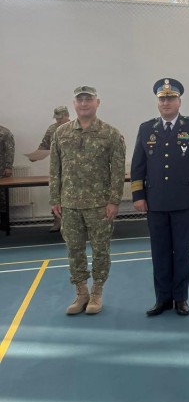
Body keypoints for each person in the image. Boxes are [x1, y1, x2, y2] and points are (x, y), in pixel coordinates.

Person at [131, 79, 189, 316]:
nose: (166, 102)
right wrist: (138, 195)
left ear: (179, 101)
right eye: (162, 99)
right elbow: (138, 166)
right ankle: (163, 299)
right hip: (155, 201)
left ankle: (181, 298)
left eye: (170, 98)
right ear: (158, 102)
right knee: (160, 253)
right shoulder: (146, 129)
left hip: (184, 200)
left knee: (182, 252)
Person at [50, 87, 126, 316]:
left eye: (88, 99)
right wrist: (55, 198)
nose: (84, 103)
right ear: (74, 104)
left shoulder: (110, 133)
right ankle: (81, 292)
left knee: (101, 250)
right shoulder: (61, 133)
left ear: (97, 102)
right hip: (70, 204)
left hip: (99, 205)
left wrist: (114, 201)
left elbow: (118, 171)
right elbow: (54, 168)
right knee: (74, 250)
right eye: (80, 100)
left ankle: (97, 293)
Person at [29, 105, 71, 232]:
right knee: (56, 194)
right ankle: (58, 222)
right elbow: (44, 145)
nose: (58, 120)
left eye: (60, 118)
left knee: (73, 195)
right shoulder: (52, 129)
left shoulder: (76, 127)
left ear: (67, 115)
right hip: (57, 167)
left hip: (74, 167)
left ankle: (74, 224)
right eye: (56, 118)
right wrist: (35, 156)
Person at [0, 124, 15, 218]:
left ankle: (3, 222)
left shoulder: (4, 132)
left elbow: (10, 150)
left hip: (1, 170)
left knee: (2, 197)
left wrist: (8, 166)